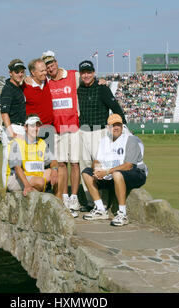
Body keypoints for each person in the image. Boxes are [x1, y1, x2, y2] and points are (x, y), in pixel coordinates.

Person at [77, 60, 127, 211]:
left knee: (100, 166)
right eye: (83, 73)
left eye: (89, 72)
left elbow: (116, 108)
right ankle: (91, 202)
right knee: (84, 167)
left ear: (94, 73)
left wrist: (123, 128)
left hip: (99, 131)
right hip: (83, 131)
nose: (86, 75)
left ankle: (103, 203)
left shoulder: (102, 88)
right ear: (80, 74)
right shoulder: (79, 89)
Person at [81, 114, 148, 226]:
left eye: (118, 125)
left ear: (122, 126)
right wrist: (97, 170)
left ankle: (122, 214)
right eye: (113, 125)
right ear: (108, 127)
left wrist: (106, 172)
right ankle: (100, 209)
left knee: (117, 174)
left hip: (136, 174)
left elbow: (128, 166)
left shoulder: (130, 139)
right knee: (86, 173)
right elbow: (97, 160)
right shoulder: (104, 140)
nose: (116, 128)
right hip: (112, 175)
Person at [39, 51, 81, 217]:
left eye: (52, 64)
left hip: (74, 126)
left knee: (75, 163)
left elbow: (88, 80)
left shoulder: (72, 75)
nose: (50, 68)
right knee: (62, 164)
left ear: (56, 62)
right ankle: (64, 197)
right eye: (47, 66)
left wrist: (101, 81)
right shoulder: (46, 82)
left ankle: (74, 198)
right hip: (57, 129)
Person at [5, 114, 59, 197]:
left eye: (38, 125)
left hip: (34, 176)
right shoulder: (17, 142)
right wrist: (27, 185)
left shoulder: (41, 142)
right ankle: (40, 196)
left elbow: (53, 161)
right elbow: (17, 168)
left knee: (57, 173)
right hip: (17, 178)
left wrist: (55, 170)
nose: (36, 128)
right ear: (25, 128)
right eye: (32, 126)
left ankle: (58, 201)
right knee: (40, 182)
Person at [0, 59, 27, 187]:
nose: (20, 74)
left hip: (21, 128)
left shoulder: (19, 87)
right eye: (17, 72)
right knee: (9, 162)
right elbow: (4, 112)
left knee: (19, 162)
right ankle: (6, 191)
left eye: (22, 72)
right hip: (13, 129)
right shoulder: (8, 89)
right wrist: (12, 133)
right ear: (10, 73)